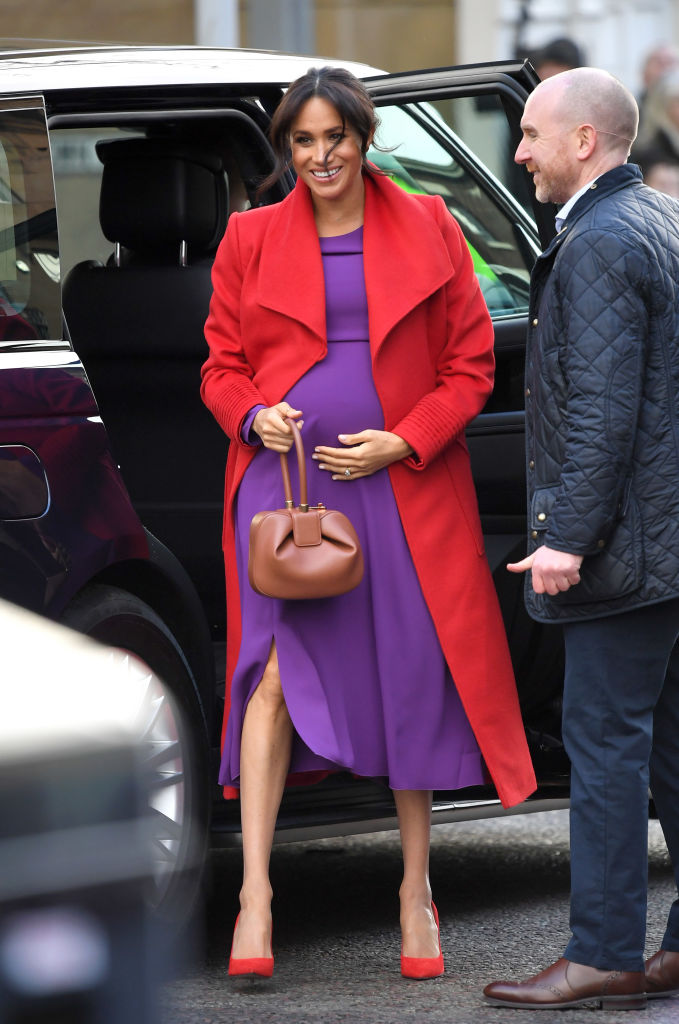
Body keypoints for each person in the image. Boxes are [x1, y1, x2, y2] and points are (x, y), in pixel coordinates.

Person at [200, 66, 536, 981]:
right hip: (286, 489)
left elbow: (470, 366)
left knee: (408, 672)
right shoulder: (248, 236)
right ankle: (255, 896)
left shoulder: (430, 222)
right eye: (302, 141)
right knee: (272, 677)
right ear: (288, 148)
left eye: (334, 138)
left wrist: (404, 441)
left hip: (402, 487)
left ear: (362, 136)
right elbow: (220, 367)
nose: (320, 157)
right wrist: (252, 417)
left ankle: (414, 890)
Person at [483, 66, 679, 1010]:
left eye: (530, 134)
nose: (519, 152)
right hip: (665, 546)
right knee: (668, 748)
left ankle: (601, 954)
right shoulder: (660, 218)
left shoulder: (599, 240)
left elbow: (603, 414)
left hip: (625, 552)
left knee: (604, 747)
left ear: (583, 141)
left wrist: (565, 538)